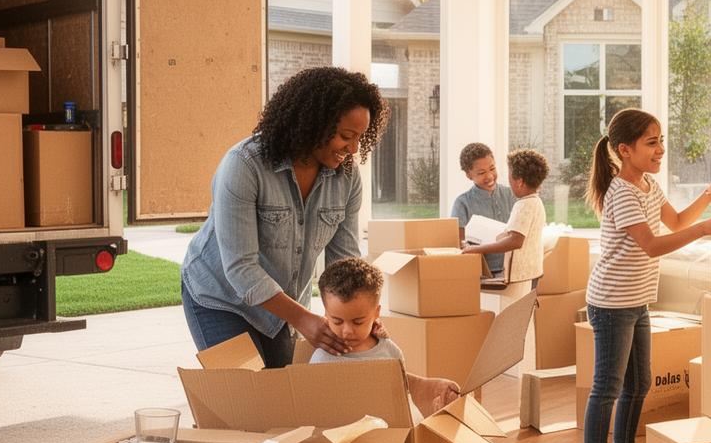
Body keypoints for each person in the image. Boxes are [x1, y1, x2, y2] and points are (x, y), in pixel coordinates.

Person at [578, 107, 711, 443]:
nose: (660, 149)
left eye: (661, 141)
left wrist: (709, 195)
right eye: (651, 143)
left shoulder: (648, 184)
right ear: (625, 150)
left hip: (635, 301)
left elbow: (676, 222)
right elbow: (652, 245)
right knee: (606, 389)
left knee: (639, 383)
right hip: (611, 303)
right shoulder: (622, 192)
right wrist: (706, 228)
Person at [180, 66, 386, 366]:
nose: (354, 148)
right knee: (245, 391)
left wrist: (359, 316)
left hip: (280, 309)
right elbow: (240, 267)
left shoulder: (347, 178)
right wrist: (303, 319)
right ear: (314, 124)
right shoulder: (244, 166)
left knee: (283, 390)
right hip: (220, 298)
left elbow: (345, 263)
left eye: (360, 138)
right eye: (346, 136)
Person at [305, 257, 459, 417]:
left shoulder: (390, 352)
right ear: (325, 313)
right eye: (337, 321)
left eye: (358, 322)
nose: (347, 331)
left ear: (376, 313)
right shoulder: (322, 359)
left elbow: (403, 405)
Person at [461, 148, 549, 295]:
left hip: (521, 275)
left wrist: (477, 249)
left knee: (517, 308)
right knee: (527, 307)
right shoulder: (536, 202)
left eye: (509, 176)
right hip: (532, 271)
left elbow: (515, 241)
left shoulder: (523, 205)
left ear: (519, 182)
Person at [451, 142, 517, 281]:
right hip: (483, 275)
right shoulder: (462, 203)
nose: (490, 176)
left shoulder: (512, 195)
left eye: (492, 168)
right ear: (469, 175)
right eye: (481, 173)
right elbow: (459, 244)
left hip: (514, 271)